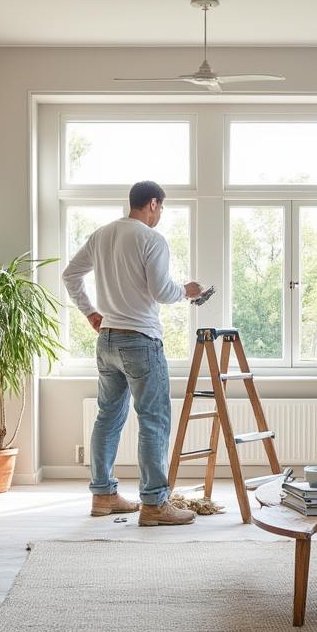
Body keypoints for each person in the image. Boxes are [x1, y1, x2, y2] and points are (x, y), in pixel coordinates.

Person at [62, 181, 203, 526]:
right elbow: (161, 291)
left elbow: (70, 275)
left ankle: (103, 495)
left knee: (107, 416)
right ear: (153, 203)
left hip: (107, 339)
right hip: (141, 341)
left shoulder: (102, 234)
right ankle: (155, 504)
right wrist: (187, 290)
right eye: (162, 208)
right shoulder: (151, 239)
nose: (160, 215)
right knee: (154, 420)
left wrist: (91, 313)